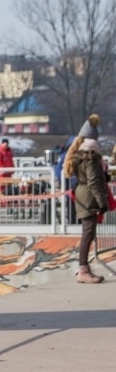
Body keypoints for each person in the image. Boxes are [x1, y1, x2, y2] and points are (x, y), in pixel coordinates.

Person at [63, 114, 110, 283]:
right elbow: (92, 181)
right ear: (94, 138)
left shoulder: (81, 152)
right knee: (88, 233)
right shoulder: (90, 155)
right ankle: (83, 270)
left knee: (88, 232)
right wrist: (102, 202)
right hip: (89, 197)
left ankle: (85, 268)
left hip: (84, 194)